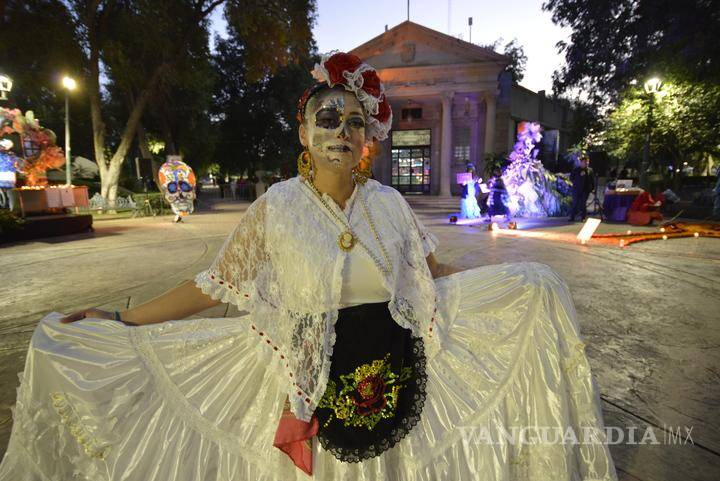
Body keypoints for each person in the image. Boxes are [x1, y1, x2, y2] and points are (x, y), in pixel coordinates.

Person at [0, 52, 617, 481]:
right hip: (306, 386)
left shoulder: (390, 204)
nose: (342, 132)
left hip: (396, 382)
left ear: (367, 137)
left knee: (533, 286)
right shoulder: (277, 207)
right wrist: (120, 318)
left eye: (355, 122)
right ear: (303, 128)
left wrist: (520, 284)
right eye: (328, 118)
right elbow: (212, 286)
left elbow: (434, 280)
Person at [569, 155, 595, 222]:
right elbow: (571, 178)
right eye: (584, 162)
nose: (586, 163)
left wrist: (593, 188)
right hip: (576, 189)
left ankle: (583, 217)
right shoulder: (576, 170)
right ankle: (572, 217)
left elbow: (592, 180)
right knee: (575, 203)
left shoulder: (590, 170)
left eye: (587, 162)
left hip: (585, 190)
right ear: (581, 162)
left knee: (583, 204)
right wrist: (577, 181)